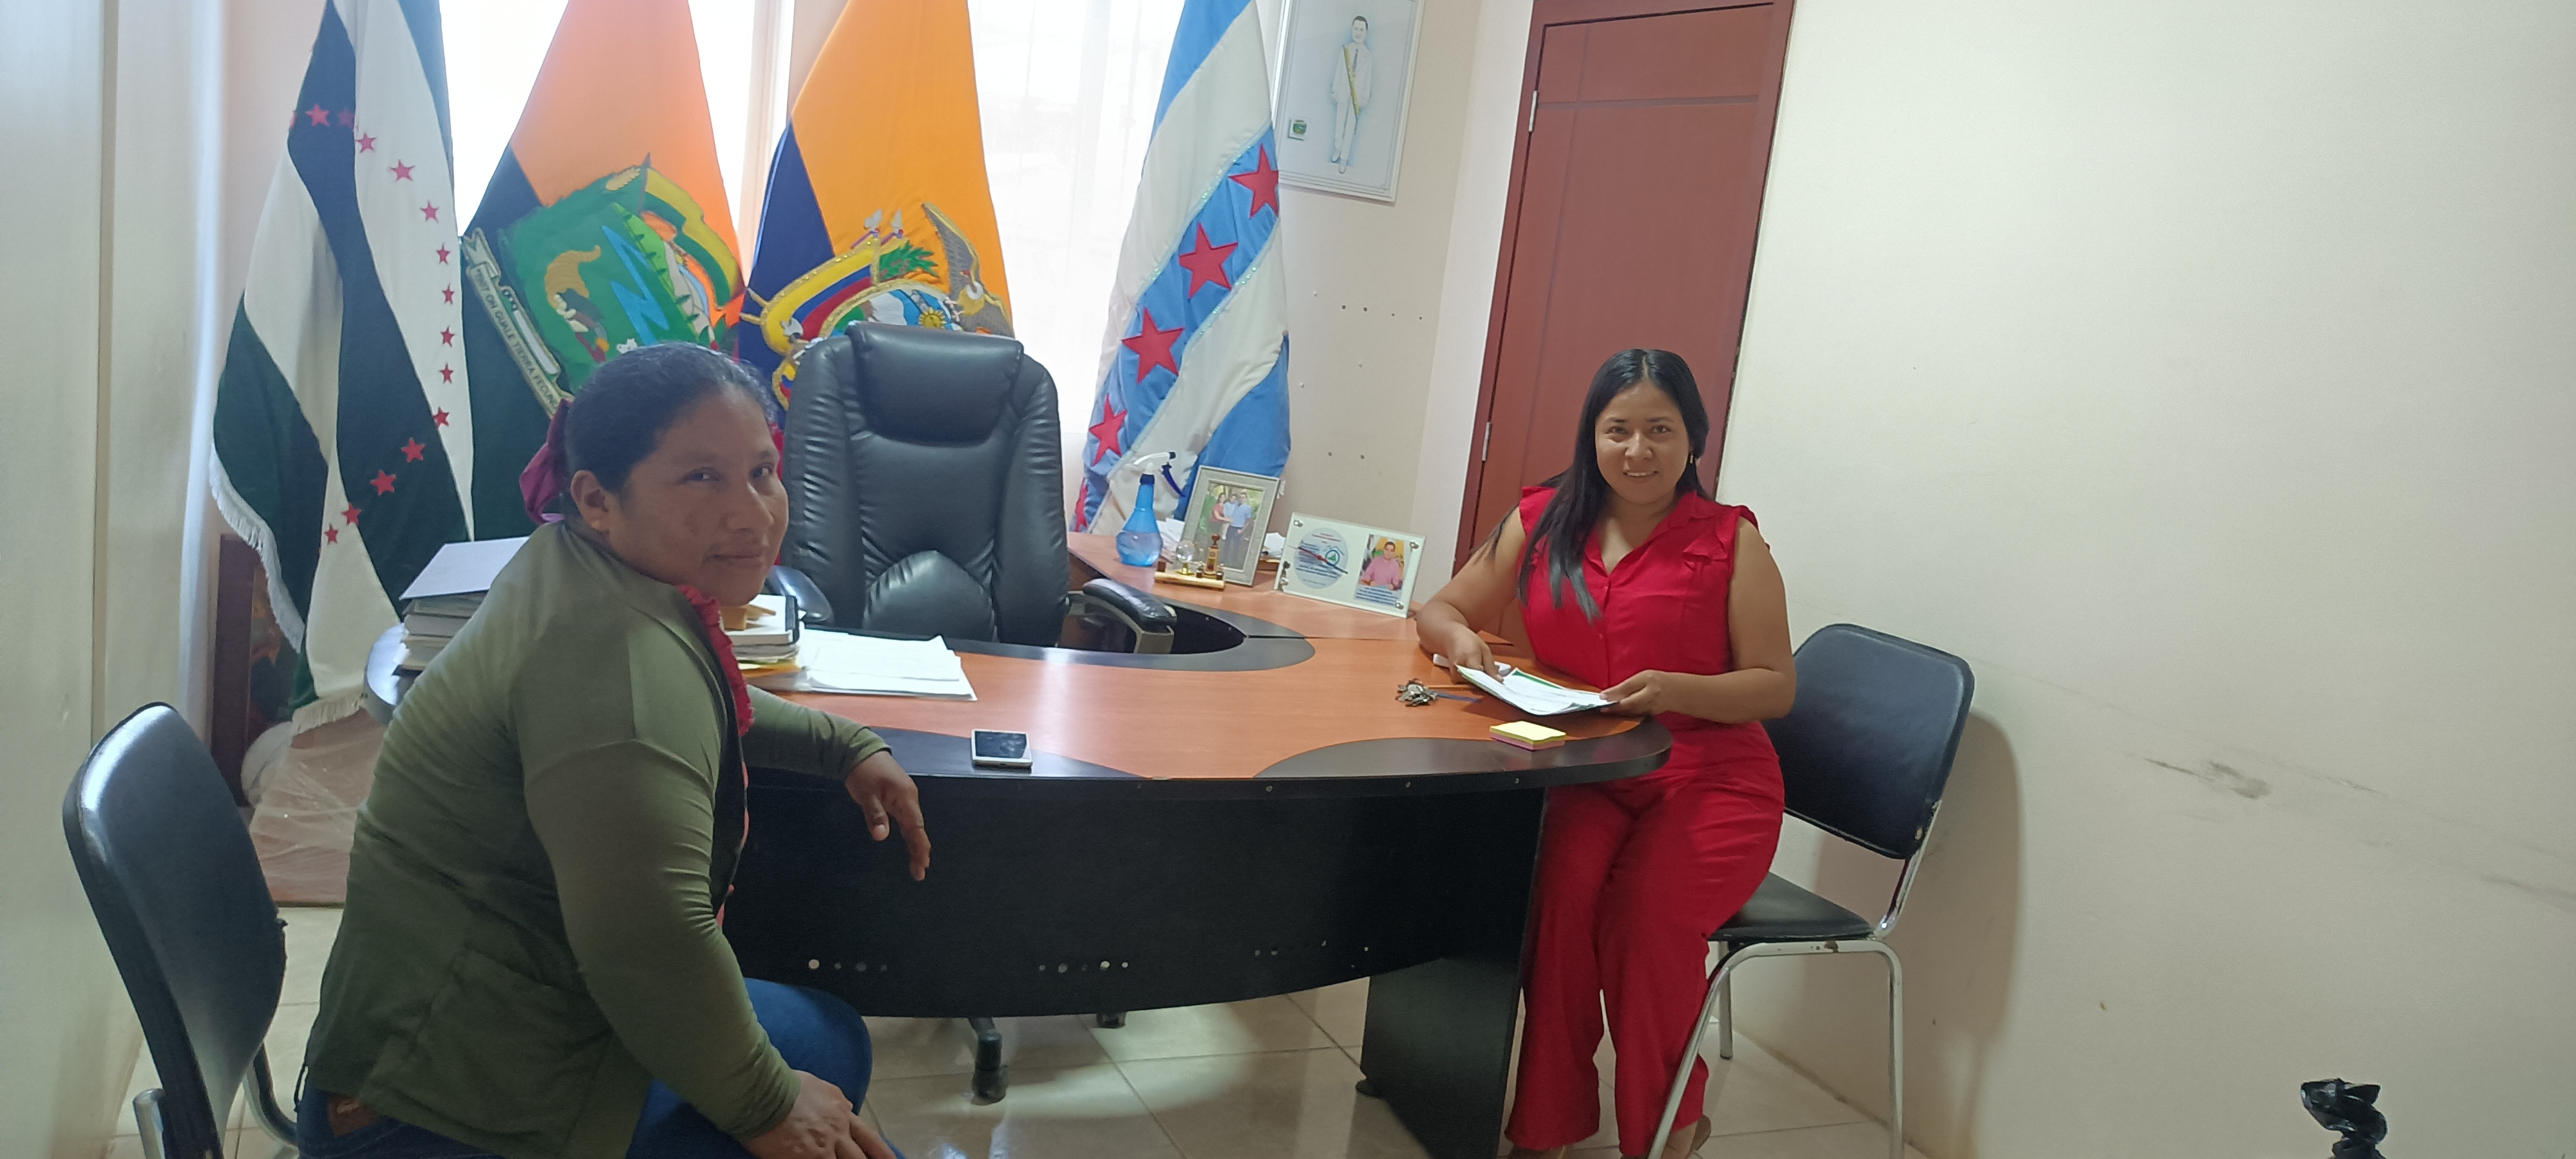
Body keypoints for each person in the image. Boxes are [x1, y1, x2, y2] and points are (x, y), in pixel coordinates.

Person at [298, 343, 928, 1159]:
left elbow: (699, 695)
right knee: (824, 1098)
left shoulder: (586, 570)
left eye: (761, 472)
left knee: (832, 1035)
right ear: (597, 498)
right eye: (702, 478)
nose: (752, 514)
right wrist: (769, 1106)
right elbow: (650, 945)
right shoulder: (612, 665)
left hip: (501, 1013)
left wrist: (842, 744)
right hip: (426, 1109)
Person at [1414, 349, 1794, 1159]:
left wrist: (1677, 689)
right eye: (1618, 429)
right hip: (1590, 770)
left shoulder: (1731, 540)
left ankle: (1669, 1127)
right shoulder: (1542, 519)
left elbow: (1774, 687)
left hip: (1711, 778)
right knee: (1556, 907)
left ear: (1693, 439)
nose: (1637, 450)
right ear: (1591, 435)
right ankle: (1547, 1125)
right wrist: (1460, 643)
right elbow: (1441, 608)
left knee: (1645, 920)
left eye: (1661, 430)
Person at [1327, 15, 1374, 173]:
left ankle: (1344, 158)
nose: (1358, 33)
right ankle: (1338, 147)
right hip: (1343, 92)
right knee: (1340, 122)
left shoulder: (1368, 56)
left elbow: (1368, 79)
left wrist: (1365, 97)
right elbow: (1339, 71)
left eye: (1361, 30)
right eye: (1356, 29)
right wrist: (1335, 90)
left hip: (1357, 97)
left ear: (1366, 32)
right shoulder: (1345, 50)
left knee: (1350, 127)